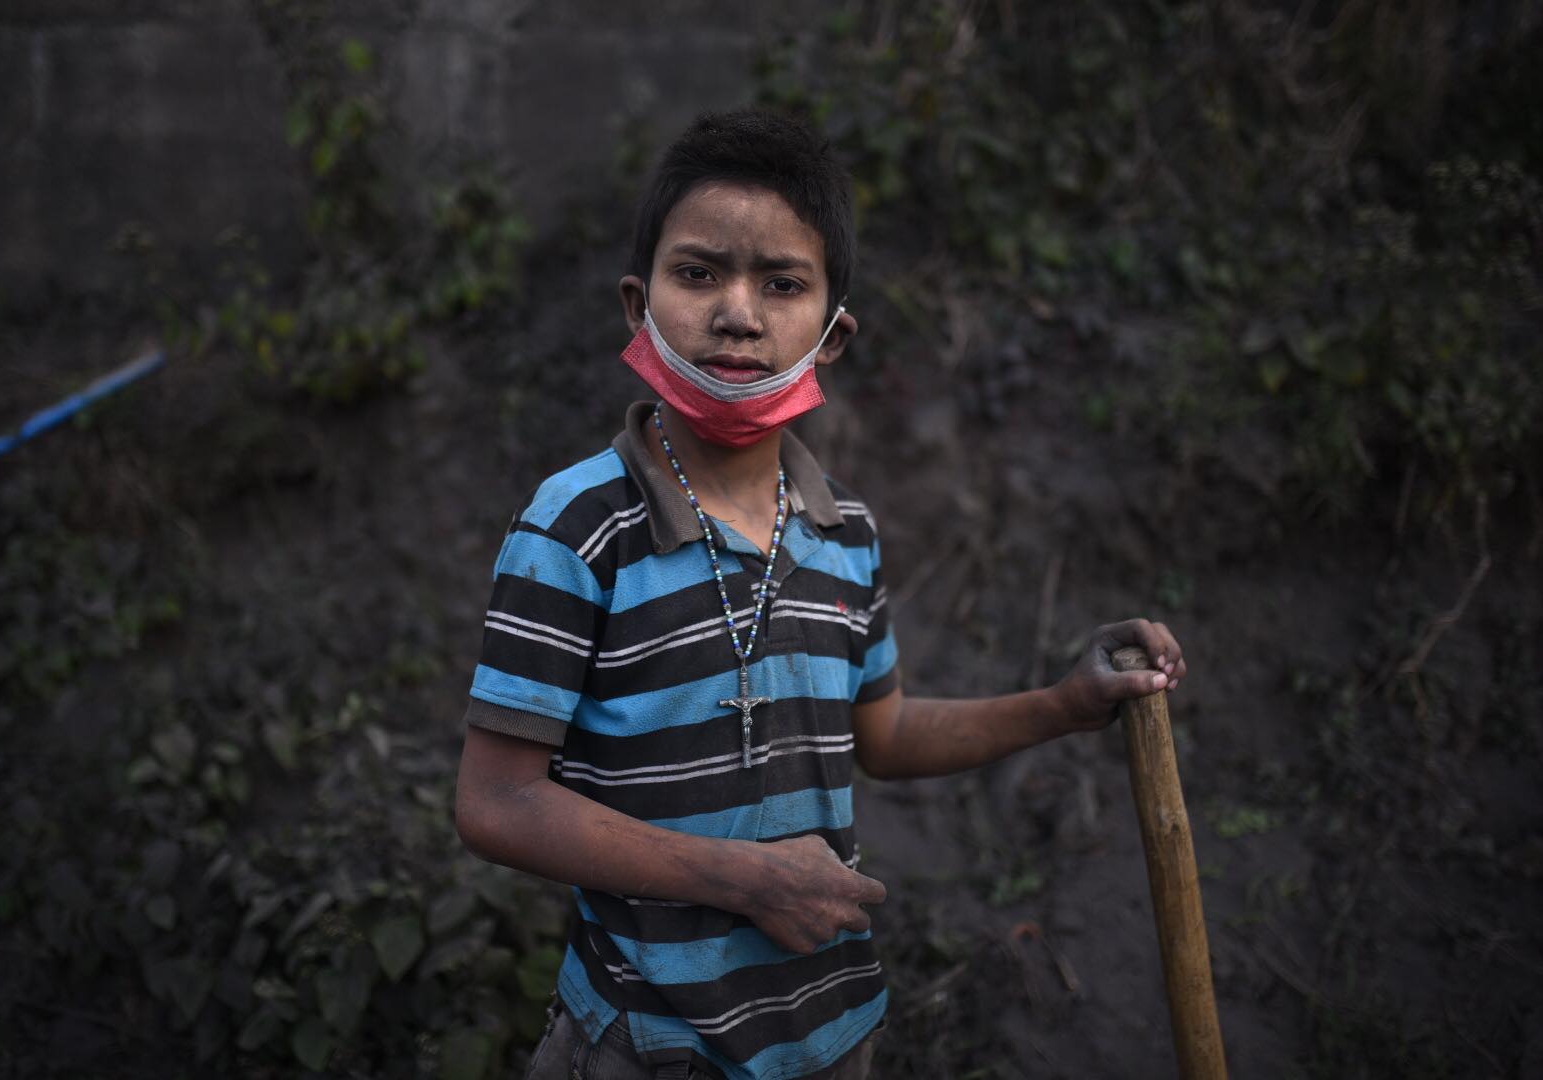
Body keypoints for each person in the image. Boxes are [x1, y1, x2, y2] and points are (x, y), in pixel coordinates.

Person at [454, 108, 1187, 1080]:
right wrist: (745, 881)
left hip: (833, 1039)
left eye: (782, 283)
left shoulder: (845, 533)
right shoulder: (576, 526)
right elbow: (496, 801)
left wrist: (1064, 704)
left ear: (832, 334)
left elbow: (879, 737)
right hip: (647, 1047)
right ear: (638, 304)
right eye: (699, 273)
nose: (739, 313)